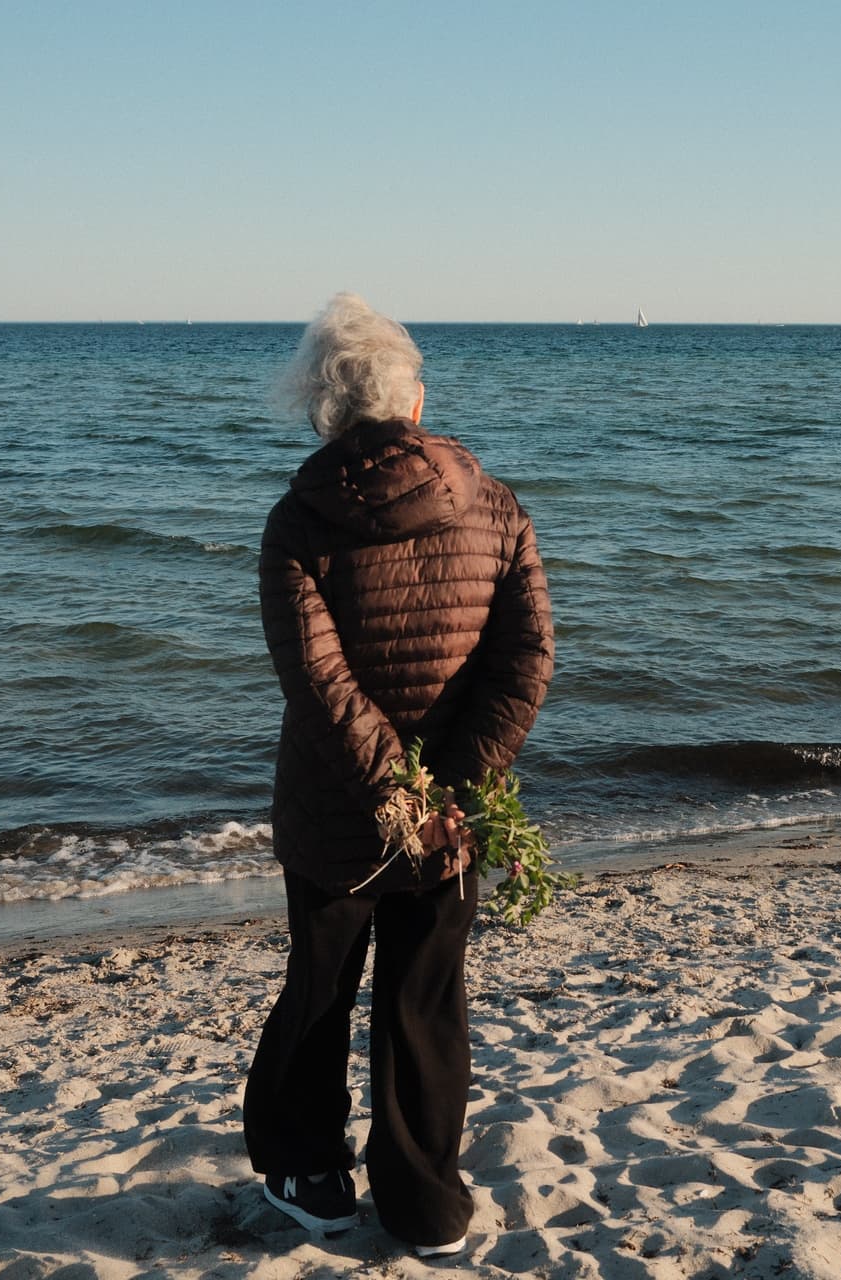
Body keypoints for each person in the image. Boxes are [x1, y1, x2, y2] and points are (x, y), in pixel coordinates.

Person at [242, 293, 554, 1257]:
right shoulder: (495, 504)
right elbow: (527, 657)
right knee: (424, 995)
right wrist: (453, 790)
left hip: (338, 805)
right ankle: (423, 1204)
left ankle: (312, 1175)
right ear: (413, 404)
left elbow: (318, 683)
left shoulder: (298, 521)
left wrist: (394, 791)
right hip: (456, 812)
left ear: (324, 410)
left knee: (322, 984)